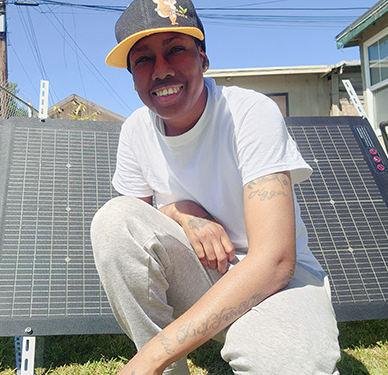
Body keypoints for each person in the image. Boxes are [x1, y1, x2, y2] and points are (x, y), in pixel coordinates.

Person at [89, 0, 341, 374]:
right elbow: (133, 229)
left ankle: (157, 363)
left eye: (176, 49)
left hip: (278, 284)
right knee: (114, 221)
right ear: (131, 74)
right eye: (143, 59)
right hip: (202, 274)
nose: (161, 70)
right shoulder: (136, 131)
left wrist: (151, 356)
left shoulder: (250, 114)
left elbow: (275, 261)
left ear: (203, 58)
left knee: (292, 365)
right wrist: (180, 212)